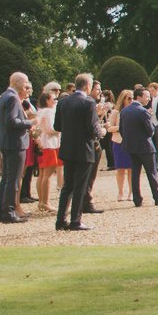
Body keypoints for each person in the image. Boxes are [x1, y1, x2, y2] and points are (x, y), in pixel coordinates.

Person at [55, 72, 101, 231]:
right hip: (84, 148)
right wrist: (101, 132)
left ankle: (60, 220)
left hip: (67, 147)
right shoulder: (88, 102)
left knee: (67, 186)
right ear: (88, 85)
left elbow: (57, 126)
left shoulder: (63, 102)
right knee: (80, 186)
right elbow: (92, 127)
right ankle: (75, 220)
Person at [119, 87, 158, 207]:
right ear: (139, 97)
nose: (148, 99)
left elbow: (121, 130)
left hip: (131, 147)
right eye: (146, 96)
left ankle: (137, 199)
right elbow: (150, 131)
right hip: (145, 147)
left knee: (135, 174)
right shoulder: (143, 111)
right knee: (152, 173)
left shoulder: (124, 111)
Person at [0, 73, 32, 223]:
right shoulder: (12, 97)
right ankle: (8, 212)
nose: (27, 85)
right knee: (13, 180)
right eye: (25, 82)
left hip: (7, 142)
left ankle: (2, 211)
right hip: (15, 143)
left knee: (6, 179)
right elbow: (12, 121)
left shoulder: (5, 95)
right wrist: (30, 123)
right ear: (19, 82)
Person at [31, 89, 63, 215]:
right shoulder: (49, 112)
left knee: (42, 174)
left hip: (43, 145)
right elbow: (51, 129)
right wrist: (62, 128)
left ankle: (41, 201)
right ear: (48, 100)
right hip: (50, 145)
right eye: (54, 99)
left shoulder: (40, 112)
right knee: (48, 175)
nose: (56, 101)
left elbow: (36, 130)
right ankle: (46, 202)